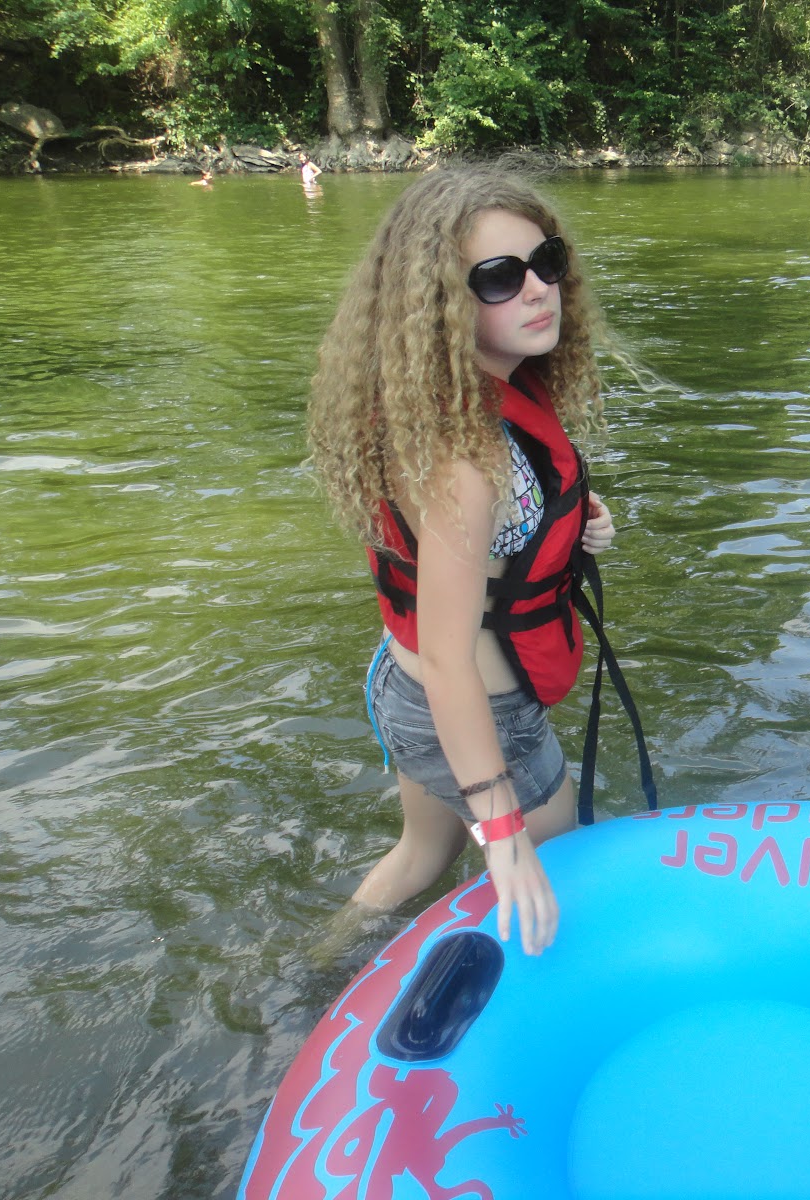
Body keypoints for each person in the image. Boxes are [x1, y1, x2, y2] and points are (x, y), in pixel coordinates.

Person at [308, 165, 638, 956]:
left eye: (548, 263)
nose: (538, 290)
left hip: (404, 687)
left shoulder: (444, 413)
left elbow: (489, 542)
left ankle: (315, 968)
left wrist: (570, 531)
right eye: (499, 277)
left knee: (422, 853)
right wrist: (503, 830)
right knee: (550, 889)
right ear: (440, 305)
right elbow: (456, 658)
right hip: (474, 712)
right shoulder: (460, 463)